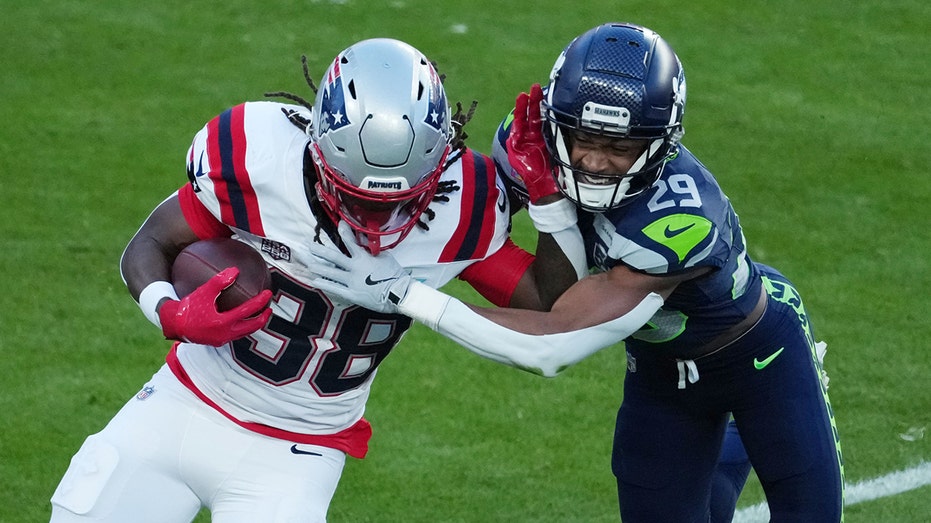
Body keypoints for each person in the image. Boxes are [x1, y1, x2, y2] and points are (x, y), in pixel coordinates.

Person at [307, 23, 844, 522]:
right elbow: (525, 270)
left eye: (620, 147)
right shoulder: (528, 144)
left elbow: (554, 340)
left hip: (758, 356)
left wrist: (405, 294)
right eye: (585, 139)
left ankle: (754, 426)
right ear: (556, 121)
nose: (595, 161)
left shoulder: (682, 217)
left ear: (659, 144)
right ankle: (735, 440)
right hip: (660, 369)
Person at [50, 37, 572, 522]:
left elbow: (549, 303)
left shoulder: (464, 206)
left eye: (398, 201)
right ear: (315, 148)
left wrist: (547, 198)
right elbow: (151, 242)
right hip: (180, 405)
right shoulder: (259, 160)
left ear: (439, 166)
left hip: (298, 456)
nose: (374, 221)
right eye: (356, 197)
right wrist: (170, 311)